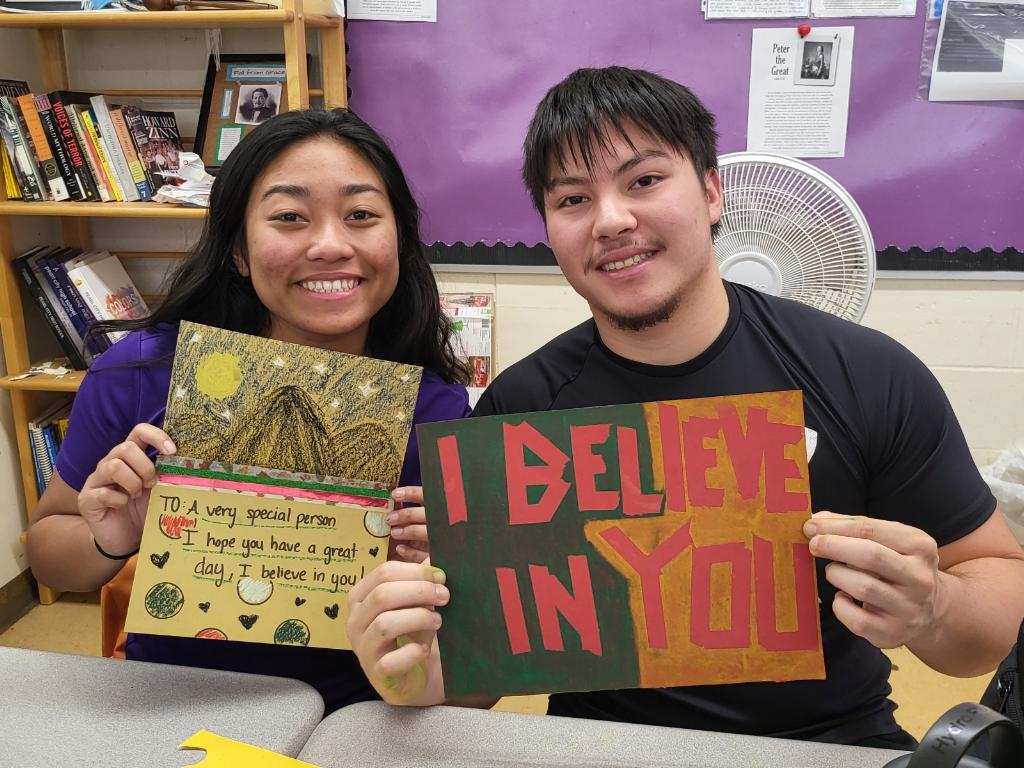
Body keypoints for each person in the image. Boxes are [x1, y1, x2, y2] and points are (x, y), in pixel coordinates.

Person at [344, 66, 1024, 747]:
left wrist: (934, 607)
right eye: (573, 199)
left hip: (829, 744)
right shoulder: (521, 409)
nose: (612, 220)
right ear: (550, 228)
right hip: (603, 748)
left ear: (710, 192)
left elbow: (990, 617)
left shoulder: (866, 375)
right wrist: (414, 670)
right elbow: (481, 682)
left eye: (644, 181)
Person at [25, 107, 471, 715]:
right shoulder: (144, 374)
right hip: (173, 704)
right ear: (237, 248)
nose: (330, 245)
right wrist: (112, 537)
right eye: (289, 218)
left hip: (358, 714)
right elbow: (50, 552)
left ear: (400, 238)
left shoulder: (435, 403)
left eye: (362, 215)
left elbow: (462, 648)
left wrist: (440, 571)